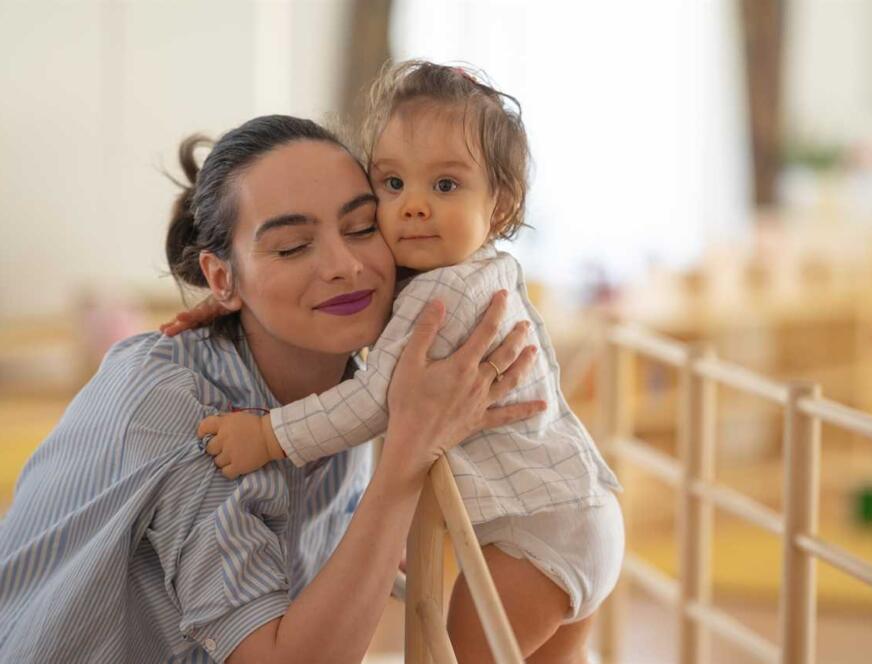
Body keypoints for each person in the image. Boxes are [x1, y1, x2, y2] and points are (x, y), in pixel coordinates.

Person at [0, 115, 544, 663]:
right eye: (291, 247)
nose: (345, 266)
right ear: (220, 279)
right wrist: (406, 457)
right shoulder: (186, 413)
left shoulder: (347, 381)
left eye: (361, 228)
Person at [174, 61, 625, 663]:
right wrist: (234, 299)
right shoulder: (477, 271)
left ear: (500, 206)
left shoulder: (438, 298)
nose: (413, 206)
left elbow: (371, 401)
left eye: (444, 186)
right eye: (391, 185)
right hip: (579, 519)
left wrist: (267, 434)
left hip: (533, 540)